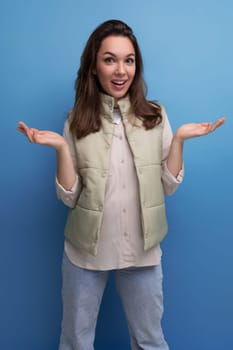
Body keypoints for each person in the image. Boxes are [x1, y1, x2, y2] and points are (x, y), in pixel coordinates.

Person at [17, 19, 224, 350]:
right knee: (75, 343)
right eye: (109, 59)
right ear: (94, 66)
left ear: (136, 66)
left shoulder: (155, 116)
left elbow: (167, 186)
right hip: (85, 253)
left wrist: (180, 139)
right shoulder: (77, 120)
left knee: (150, 342)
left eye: (129, 60)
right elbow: (69, 197)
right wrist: (59, 148)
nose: (120, 70)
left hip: (142, 251)